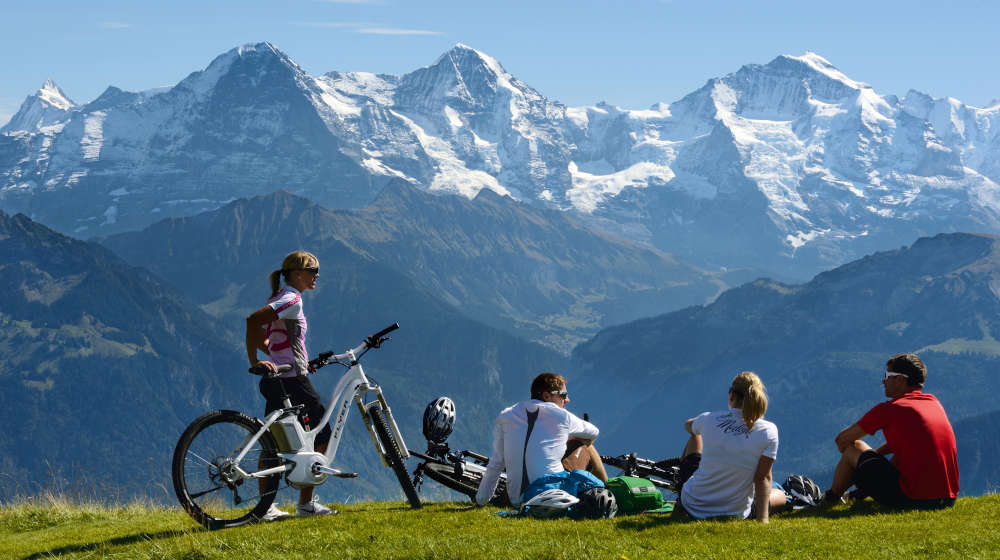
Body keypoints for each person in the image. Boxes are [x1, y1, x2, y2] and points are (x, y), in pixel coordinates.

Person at [245, 250, 335, 520]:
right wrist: (255, 360)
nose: (317, 275)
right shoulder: (292, 299)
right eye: (313, 270)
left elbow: (271, 337)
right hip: (293, 381)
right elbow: (253, 321)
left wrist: (271, 356)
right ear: (297, 273)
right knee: (322, 434)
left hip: (281, 377)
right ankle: (305, 505)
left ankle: (266, 508)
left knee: (273, 444)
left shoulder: (279, 297)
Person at [825, 353, 959, 509]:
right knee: (866, 451)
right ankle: (854, 493)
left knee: (852, 448)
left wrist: (860, 464)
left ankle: (831, 498)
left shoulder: (890, 409)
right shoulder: (933, 403)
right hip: (947, 498)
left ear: (901, 379)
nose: (883, 381)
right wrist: (871, 460)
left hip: (912, 499)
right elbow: (908, 445)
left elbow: (841, 440)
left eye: (887, 375)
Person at [673, 372, 786, 523]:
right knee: (780, 495)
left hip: (692, 505)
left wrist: (707, 427)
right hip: (735, 511)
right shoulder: (768, 430)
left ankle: (681, 490)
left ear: (732, 395)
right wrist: (762, 519)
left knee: (696, 435)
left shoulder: (709, 418)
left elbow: (687, 425)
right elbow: (762, 478)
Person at [475, 373, 600, 507]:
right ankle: (609, 493)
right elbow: (594, 432)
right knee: (585, 446)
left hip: (515, 500)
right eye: (563, 395)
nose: (567, 399)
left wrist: (481, 500)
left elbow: (497, 462)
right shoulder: (562, 416)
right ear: (546, 396)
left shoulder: (506, 415)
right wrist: (572, 437)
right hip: (552, 495)